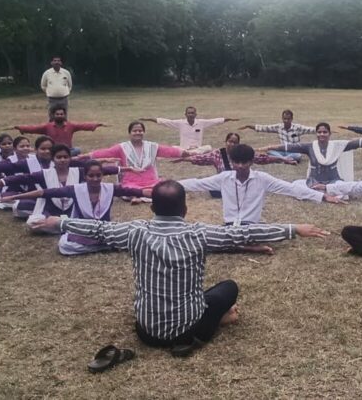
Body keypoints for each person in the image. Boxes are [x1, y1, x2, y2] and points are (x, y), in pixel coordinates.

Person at [32, 180, 329, 357]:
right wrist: (293, 228)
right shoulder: (198, 234)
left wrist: (60, 221)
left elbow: (98, 229)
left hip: (146, 334)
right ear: (185, 210)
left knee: (209, 295)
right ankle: (209, 326)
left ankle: (209, 323)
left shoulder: (135, 232)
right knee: (229, 287)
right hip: (189, 328)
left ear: (152, 209)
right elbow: (243, 234)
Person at [178, 144, 341, 253]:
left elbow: (291, 189)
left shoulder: (262, 178)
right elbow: (196, 183)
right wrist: (167, 184)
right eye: (236, 162)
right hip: (229, 227)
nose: (240, 166)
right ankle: (246, 246)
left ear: (251, 162)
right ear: (232, 162)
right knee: (204, 238)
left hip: (253, 228)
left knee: (259, 230)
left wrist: (322, 196)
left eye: (244, 162)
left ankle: (243, 245)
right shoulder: (224, 177)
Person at [3, 160, 147, 255]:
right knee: (64, 245)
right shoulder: (76, 189)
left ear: (102, 175)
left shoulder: (110, 188)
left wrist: (154, 192)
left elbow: (137, 192)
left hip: (104, 230)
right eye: (91, 176)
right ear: (85, 176)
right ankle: (107, 246)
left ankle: (103, 245)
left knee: (65, 245)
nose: (95, 179)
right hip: (81, 230)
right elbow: (45, 192)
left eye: (98, 175)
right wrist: (15, 197)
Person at [259, 122, 362, 187]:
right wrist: (269, 147)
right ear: (316, 133)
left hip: (334, 181)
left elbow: (358, 143)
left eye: (325, 132)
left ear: (329, 133)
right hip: (314, 181)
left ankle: (327, 189)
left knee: (342, 191)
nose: (322, 134)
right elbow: (288, 147)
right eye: (319, 132)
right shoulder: (309, 146)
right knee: (298, 187)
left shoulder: (338, 146)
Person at [84, 121, 188, 200]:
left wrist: (184, 153)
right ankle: (137, 196)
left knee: (162, 189)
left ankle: (138, 197)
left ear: (144, 132)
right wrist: (86, 156)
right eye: (134, 131)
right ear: (130, 133)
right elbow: (105, 152)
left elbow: (168, 151)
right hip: (130, 182)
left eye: (140, 131)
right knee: (129, 190)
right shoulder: (122, 147)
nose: (138, 133)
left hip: (151, 181)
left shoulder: (152, 146)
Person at [173, 132, 295, 198]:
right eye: (230, 141)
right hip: (223, 185)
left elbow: (263, 158)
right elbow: (201, 158)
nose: (232, 144)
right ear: (225, 142)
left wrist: (282, 159)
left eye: (235, 142)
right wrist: (184, 159)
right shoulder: (217, 154)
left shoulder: (243, 152)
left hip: (241, 184)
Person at [12, 107, 108, 155]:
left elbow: (83, 125)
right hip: (52, 151)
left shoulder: (70, 125)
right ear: (53, 115)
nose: (59, 116)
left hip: (68, 150)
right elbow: (34, 128)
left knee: (78, 150)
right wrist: (20, 127)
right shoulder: (47, 126)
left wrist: (97, 124)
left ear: (65, 115)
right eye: (57, 114)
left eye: (61, 114)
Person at [142, 107, 238, 154]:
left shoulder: (201, 122)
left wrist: (230, 119)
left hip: (197, 148)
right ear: (185, 114)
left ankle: (189, 154)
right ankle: (188, 153)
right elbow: (165, 121)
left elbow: (215, 121)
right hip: (184, 148)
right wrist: (149, 119)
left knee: (208, 147)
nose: (191, 115)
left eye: (192, 113)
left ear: (196, 114)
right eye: (189, 113)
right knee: (174, 148)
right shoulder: (180, 123)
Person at [239, 109, 315, 162]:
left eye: (288, 119)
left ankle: (280, 159)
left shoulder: (298, 128)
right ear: (282, 118)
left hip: (294, 151)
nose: (286, 121)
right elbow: (264, 128)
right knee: (269, 151)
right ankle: (284, 159)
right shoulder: (279, 127)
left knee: (298, 156)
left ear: (292, 119)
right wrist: (249, 126)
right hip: (282, 150)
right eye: (284, 119)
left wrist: (321, 130)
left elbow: (310, 129)